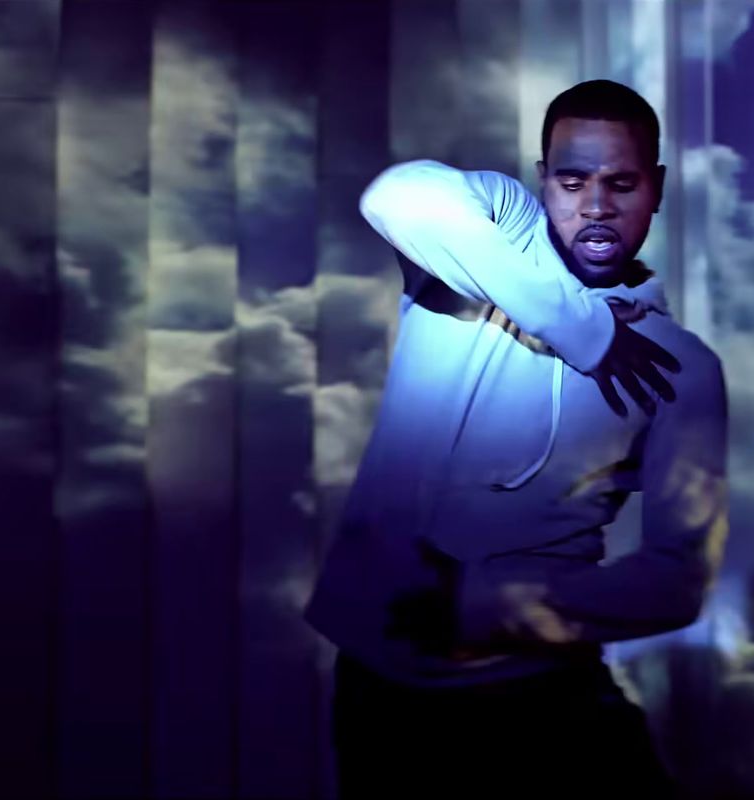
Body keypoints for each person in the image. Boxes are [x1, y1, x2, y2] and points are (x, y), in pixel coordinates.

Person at [303, 79, 729, 799]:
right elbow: (395, 197)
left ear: (656, 188)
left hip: (543, 693)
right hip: (385, 693)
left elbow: (679, 580)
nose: (595, 207)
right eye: (572, 181)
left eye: (622, 183)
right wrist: (588, 332)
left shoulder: (683, 369)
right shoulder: (496, 236)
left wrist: (480, 603)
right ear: (542, 183)